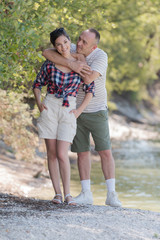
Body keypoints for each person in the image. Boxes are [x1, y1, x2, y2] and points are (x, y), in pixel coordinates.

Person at [42, 28, 122, 207]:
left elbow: (88, 79)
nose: (78, 44)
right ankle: (86, 193)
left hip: (96, 110)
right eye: (79, 39)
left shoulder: (101, 56)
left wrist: (75, 63)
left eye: (84, 42)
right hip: (74, 110)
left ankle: (111, 194)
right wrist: (72, 62)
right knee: (82, 152)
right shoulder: (70, 49)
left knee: (105, 151)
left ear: (93, 46)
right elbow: (46, 52)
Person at [33, 28, 94, 206]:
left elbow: (90, 90)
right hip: (50, 106)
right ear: (55, 47)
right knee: (51, 153)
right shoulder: (50, 63)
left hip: (69, 108)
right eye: (58, 44)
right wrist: (38, 103)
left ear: (70, 41)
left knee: (62, 153)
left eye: (65, 42)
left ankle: (68, 194)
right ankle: (57, 194)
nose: (63, 46)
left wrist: (79, 111)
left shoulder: (81, 63)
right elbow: (37, 84)